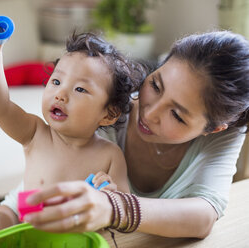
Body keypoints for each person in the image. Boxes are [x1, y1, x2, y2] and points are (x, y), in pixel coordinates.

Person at [0, 20, 144, 243]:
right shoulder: (36, 133)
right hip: (25, 230)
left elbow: (123, 208)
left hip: (74, 240)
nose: (60, 94)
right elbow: (0, 107)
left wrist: (109, 196)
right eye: (56, 80)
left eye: (80, 89)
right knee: (0, 219)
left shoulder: (110, 155)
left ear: (109, 114)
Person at [20, 30, 249, 239]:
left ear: (213, 129)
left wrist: (115, 208)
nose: (149, 113)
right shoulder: (108, 107)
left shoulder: (224, 134)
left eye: (177, 115)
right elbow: (47, 169)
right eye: (156, 85)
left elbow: (203, 216)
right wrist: (5, 212)